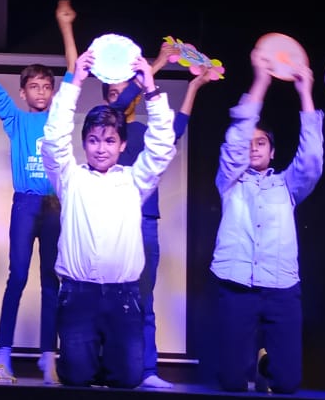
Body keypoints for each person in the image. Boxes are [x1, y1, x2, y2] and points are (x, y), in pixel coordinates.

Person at [42, 49, 177, 388]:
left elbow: (162, 147)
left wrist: (152, 90)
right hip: (78, 295)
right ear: (84, 143)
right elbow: (54, 141)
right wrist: (75, 82)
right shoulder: (70, 178)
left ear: (121, 145)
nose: (101, 148)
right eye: (93, 140)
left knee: (128, 380)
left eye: (109, 140)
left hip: (124, 297)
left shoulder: (134, 180)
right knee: (77, 379)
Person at [0, 0, 70, 383]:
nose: (41, 92)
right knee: (17, 276)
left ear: (53, 92)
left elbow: (74, 71)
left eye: (46, 86)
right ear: (23, 93)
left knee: (51, 281)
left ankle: (48, 358)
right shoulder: (17, 120)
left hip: (54, 206)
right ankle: (3, 357)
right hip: (25, 205)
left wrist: (65, 26)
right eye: (34, 87)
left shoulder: (60, 117)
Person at [210, 50, 323, 394]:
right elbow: (235, 141)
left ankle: (266, 365)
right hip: (237, 285)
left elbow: (312, 159)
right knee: (231, 382)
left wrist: (305, 94)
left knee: (287, 383)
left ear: (272, 152)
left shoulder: (287, 185)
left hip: (280, 288)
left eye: (261, 143)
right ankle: (246, 367)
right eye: (250, 143)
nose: (253, 148)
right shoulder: (229, 181)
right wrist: (261, 81)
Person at [103, 38, 213, 388]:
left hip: (145, 222)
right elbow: (119, 105)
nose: (123, 96)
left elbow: (175, 130)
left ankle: (147, 371)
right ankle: (108, 370)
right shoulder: (106, 131)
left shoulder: (142, 132)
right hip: (111, 222)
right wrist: (159, 62)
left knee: (143, 299)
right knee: (108, 297)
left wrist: (193, 86)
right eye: (115, 92)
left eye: (127, 90)